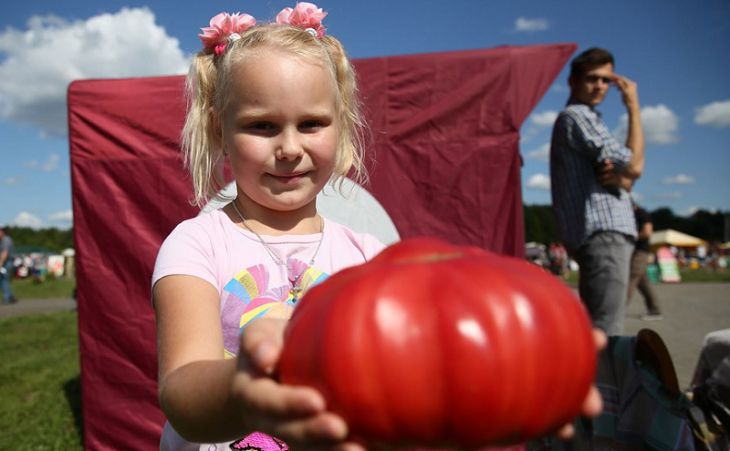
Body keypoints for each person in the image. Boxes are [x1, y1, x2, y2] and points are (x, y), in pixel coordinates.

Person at [154, 5, 605, 450]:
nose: (289, 147)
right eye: (262, 126)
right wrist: (248, 386)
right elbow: (182, 390)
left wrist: (515, 367)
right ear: (219, 131)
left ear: (342, 125)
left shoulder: (371, 256)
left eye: (311, 123)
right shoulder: (197, 243)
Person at [550, 47, 645, 336]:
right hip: (604, 232)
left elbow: (626, 175)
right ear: (573, 81)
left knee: (599, 327)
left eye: (606, 80)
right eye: (593, 78)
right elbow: (634, 164)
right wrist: (633, 106)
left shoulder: (586, 118)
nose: (600, 86)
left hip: (600, 234)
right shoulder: (577, 116)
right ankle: (599, 382)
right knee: (606, 332)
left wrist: (624, 179)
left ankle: (594, 380)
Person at [626, 202, 662, 320]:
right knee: (643, 282)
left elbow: (647, 232)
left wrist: (632, 236)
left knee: (631, 277)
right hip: (634, 251)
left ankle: (618, 310)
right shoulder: (632, 214)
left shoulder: (641, 213)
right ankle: (655, 310)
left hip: (641, 251)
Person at [0, 227, 18, 304]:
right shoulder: (1, 241)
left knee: (4, 279)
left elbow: (5, 253)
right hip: (4, 262)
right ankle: (11, 296)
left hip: (7, 262)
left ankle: (7, 298)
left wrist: (0, 264)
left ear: (2, 232)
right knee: (2, 280)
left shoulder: (6, 240)